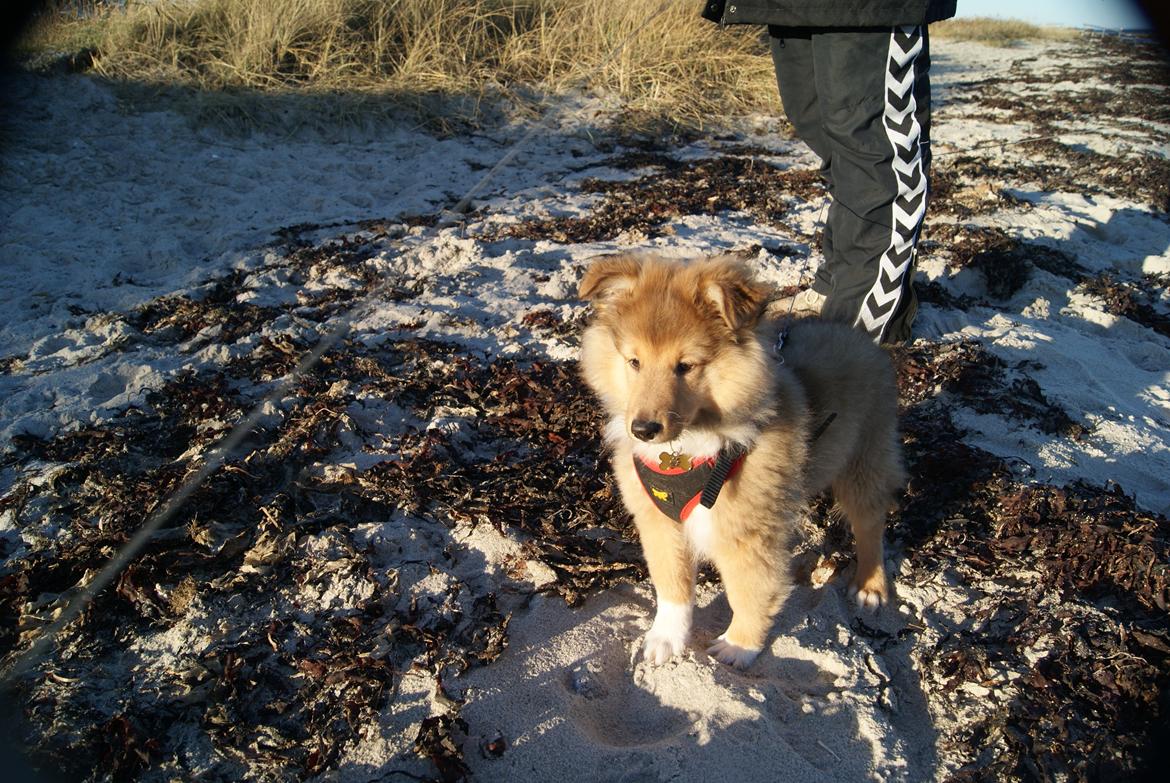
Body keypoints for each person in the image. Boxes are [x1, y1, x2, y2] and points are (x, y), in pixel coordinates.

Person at [701, 1, 958, 345]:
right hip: (784, 6)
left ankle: (863, 328)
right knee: (823, 132)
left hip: (873, 9)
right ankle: (834, 287)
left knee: (872, 151)